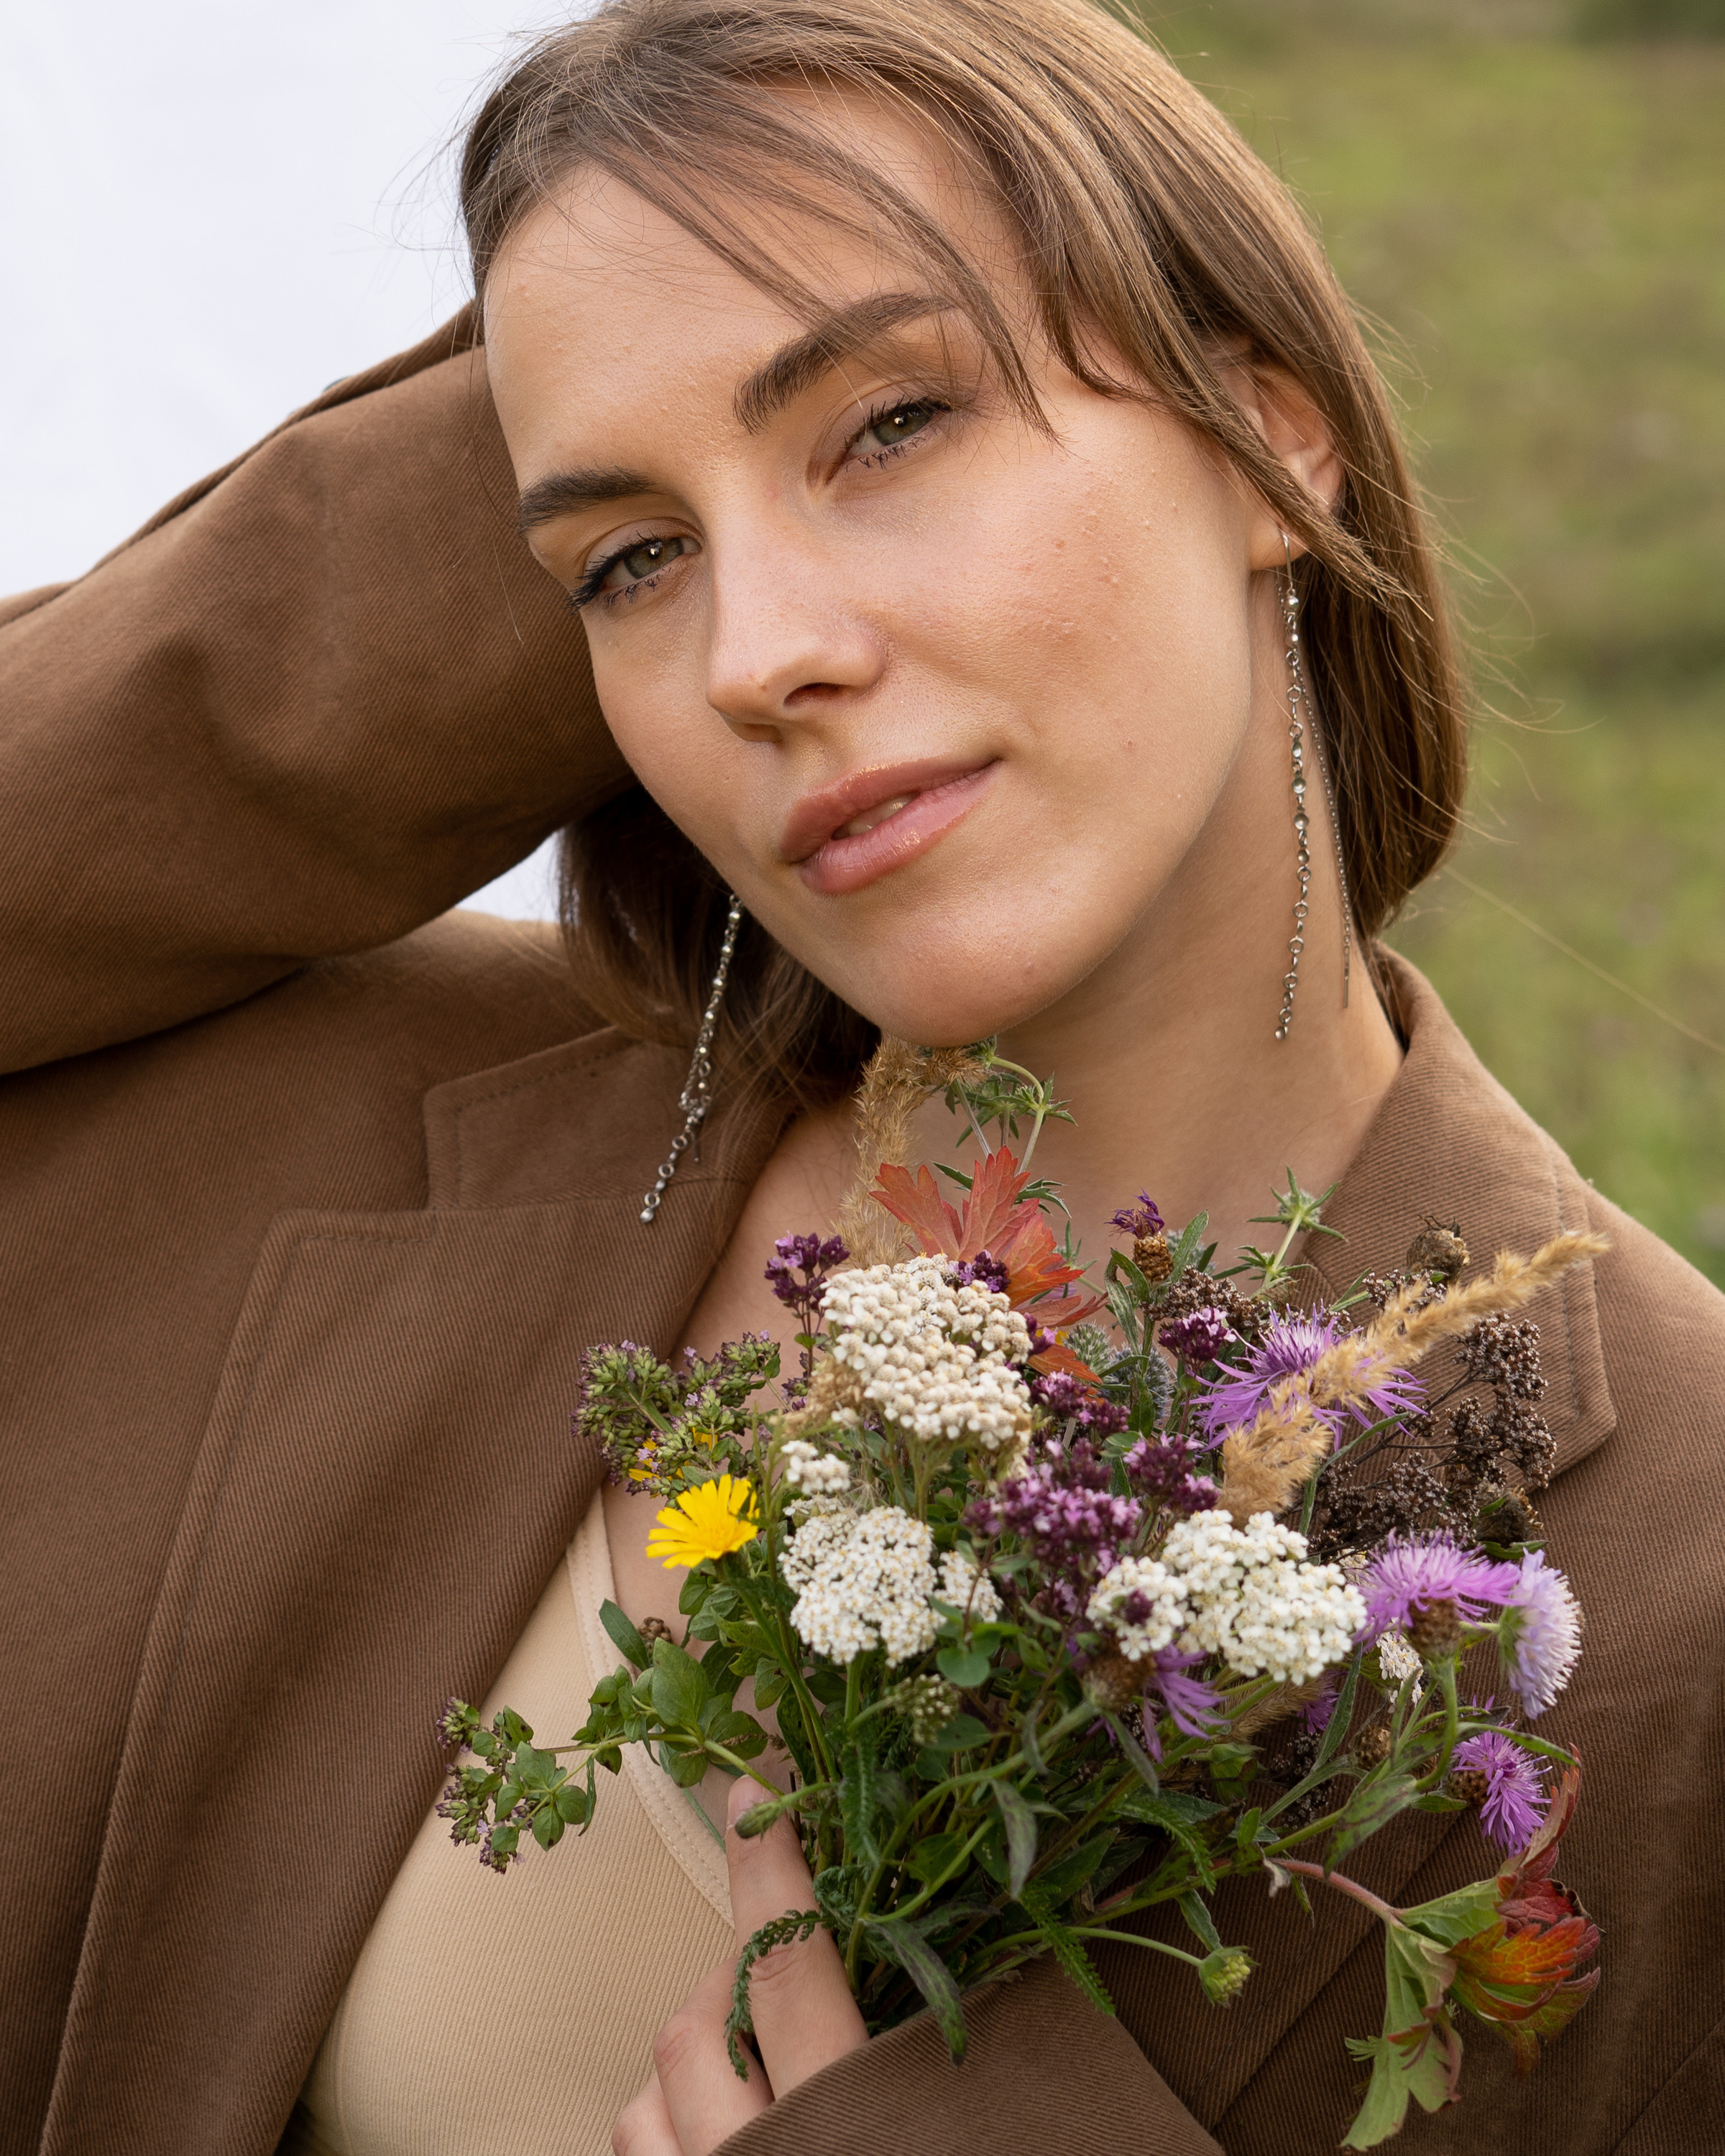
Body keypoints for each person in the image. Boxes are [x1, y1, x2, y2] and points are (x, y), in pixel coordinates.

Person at [2, 0, 1721, 2150]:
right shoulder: (329, 1124)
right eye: (631, 566)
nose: (753, 657)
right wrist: (611, 320)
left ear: (1276, 444)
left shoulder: (1678, 1573)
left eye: (891, 423)